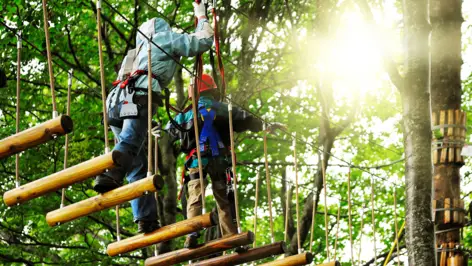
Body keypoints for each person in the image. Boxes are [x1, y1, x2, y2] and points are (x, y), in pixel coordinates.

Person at [93, 2, 214, 234]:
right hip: (138, 96)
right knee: (130, 142)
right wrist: (201, 13)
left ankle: (145, 218)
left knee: (137, 164)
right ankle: (110, 173)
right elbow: (203, 40)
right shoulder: (164, 38)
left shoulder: (134, 52)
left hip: (115, 104)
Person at [166, 74, 285, 250]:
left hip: (197, 161)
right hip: (220, 161)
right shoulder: (225, 109)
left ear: (193, 94)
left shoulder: (184, 116)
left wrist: (155, 130)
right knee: (224, 200)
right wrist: (266, 125)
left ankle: (192, 233)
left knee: (195, 197)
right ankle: (231, 236)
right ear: (213, 91)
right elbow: (247, 119)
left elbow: (169, 131)